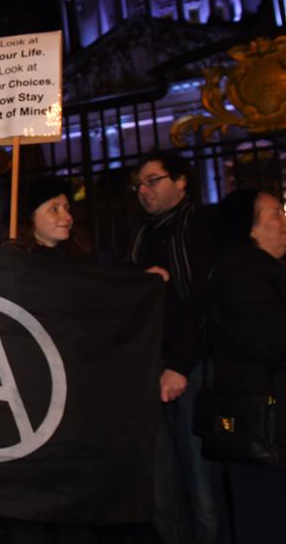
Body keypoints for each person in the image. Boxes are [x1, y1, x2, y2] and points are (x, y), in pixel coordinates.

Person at [128, 151, 228, 544]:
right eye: (139, 183)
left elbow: (204, 305)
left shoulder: (201, 229)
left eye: (153, 180)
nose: (143, 190)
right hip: (151, 368)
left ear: (182, 181)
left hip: (192, 369)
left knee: (202, 488)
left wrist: (181, 367)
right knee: (163, 487)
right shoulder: (140, 235)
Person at [206, 189, 286, 544]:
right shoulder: (240, 271)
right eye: (274, 214)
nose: (283, 221)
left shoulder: (268, 270)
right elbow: (269, 338)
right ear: (249, 228)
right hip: (264, 430)